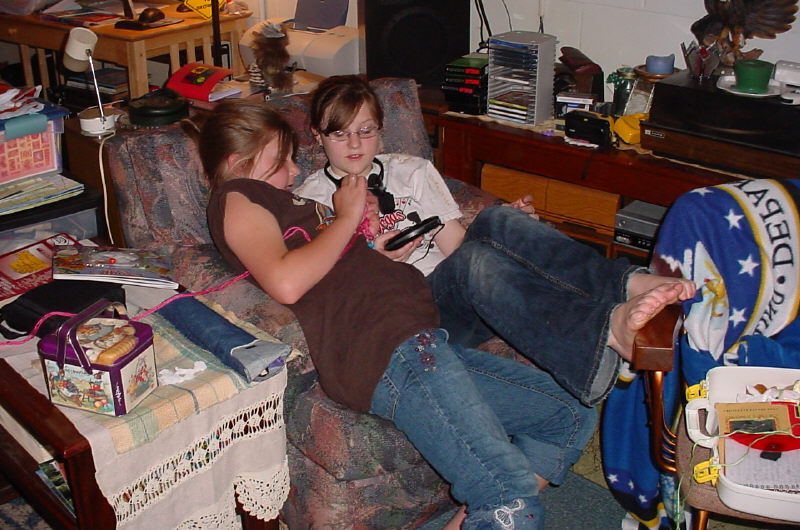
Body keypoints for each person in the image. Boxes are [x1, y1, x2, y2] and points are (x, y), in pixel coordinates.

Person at [189, 99, 608, 529]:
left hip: (416, 336)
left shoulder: (281, 202)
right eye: (281, 161)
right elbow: (286, 282)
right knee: (508, 497)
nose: (294, 170)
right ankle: (605, 325)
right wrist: (346, 217)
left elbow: (326, 272)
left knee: (567, 413)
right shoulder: (236, 196)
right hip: (386, 346)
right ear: (237, 163)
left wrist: (366, 239)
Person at [294, 74, 697, 407]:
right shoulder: (310, 199)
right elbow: (325, 283)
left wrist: (512, 237)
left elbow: (457, 247)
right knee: (477, 262)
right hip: (405, 313)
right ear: (318, 135)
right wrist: (376, 258)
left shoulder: (411, 171)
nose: (355, 145)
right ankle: (605, 332)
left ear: (381, 131)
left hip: (451, 291)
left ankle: (629, 283)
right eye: (340, 134)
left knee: (500, 219)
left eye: (366, 131)